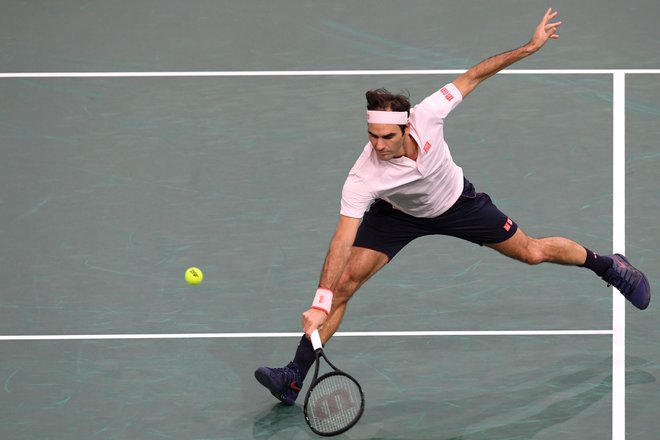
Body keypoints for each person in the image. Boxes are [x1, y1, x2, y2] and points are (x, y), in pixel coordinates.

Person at [254, 8, 651, 406]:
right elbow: (343, 236)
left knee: (532, 252)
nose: (378, 145)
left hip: (458, 205)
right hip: (397, 216)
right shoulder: (363, 176)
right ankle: (293, 377)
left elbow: (476, 74)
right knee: (343, 286)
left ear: (407, 126)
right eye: (372, 136)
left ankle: (610, 266)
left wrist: (530, 46)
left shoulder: (429, 113)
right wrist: (320, 301)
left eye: (387, 136)